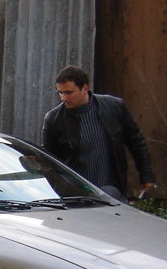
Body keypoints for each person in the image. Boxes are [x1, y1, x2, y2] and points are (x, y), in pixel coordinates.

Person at [42, 65, 155, 201]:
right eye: (60, 93)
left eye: (69, 92)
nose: (63, 98)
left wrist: (146, 175)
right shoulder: (54, 119)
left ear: (84, 89)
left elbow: (136, 142)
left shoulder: (114, 107)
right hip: (75, 193)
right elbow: (48, 160)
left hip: (112, 190)